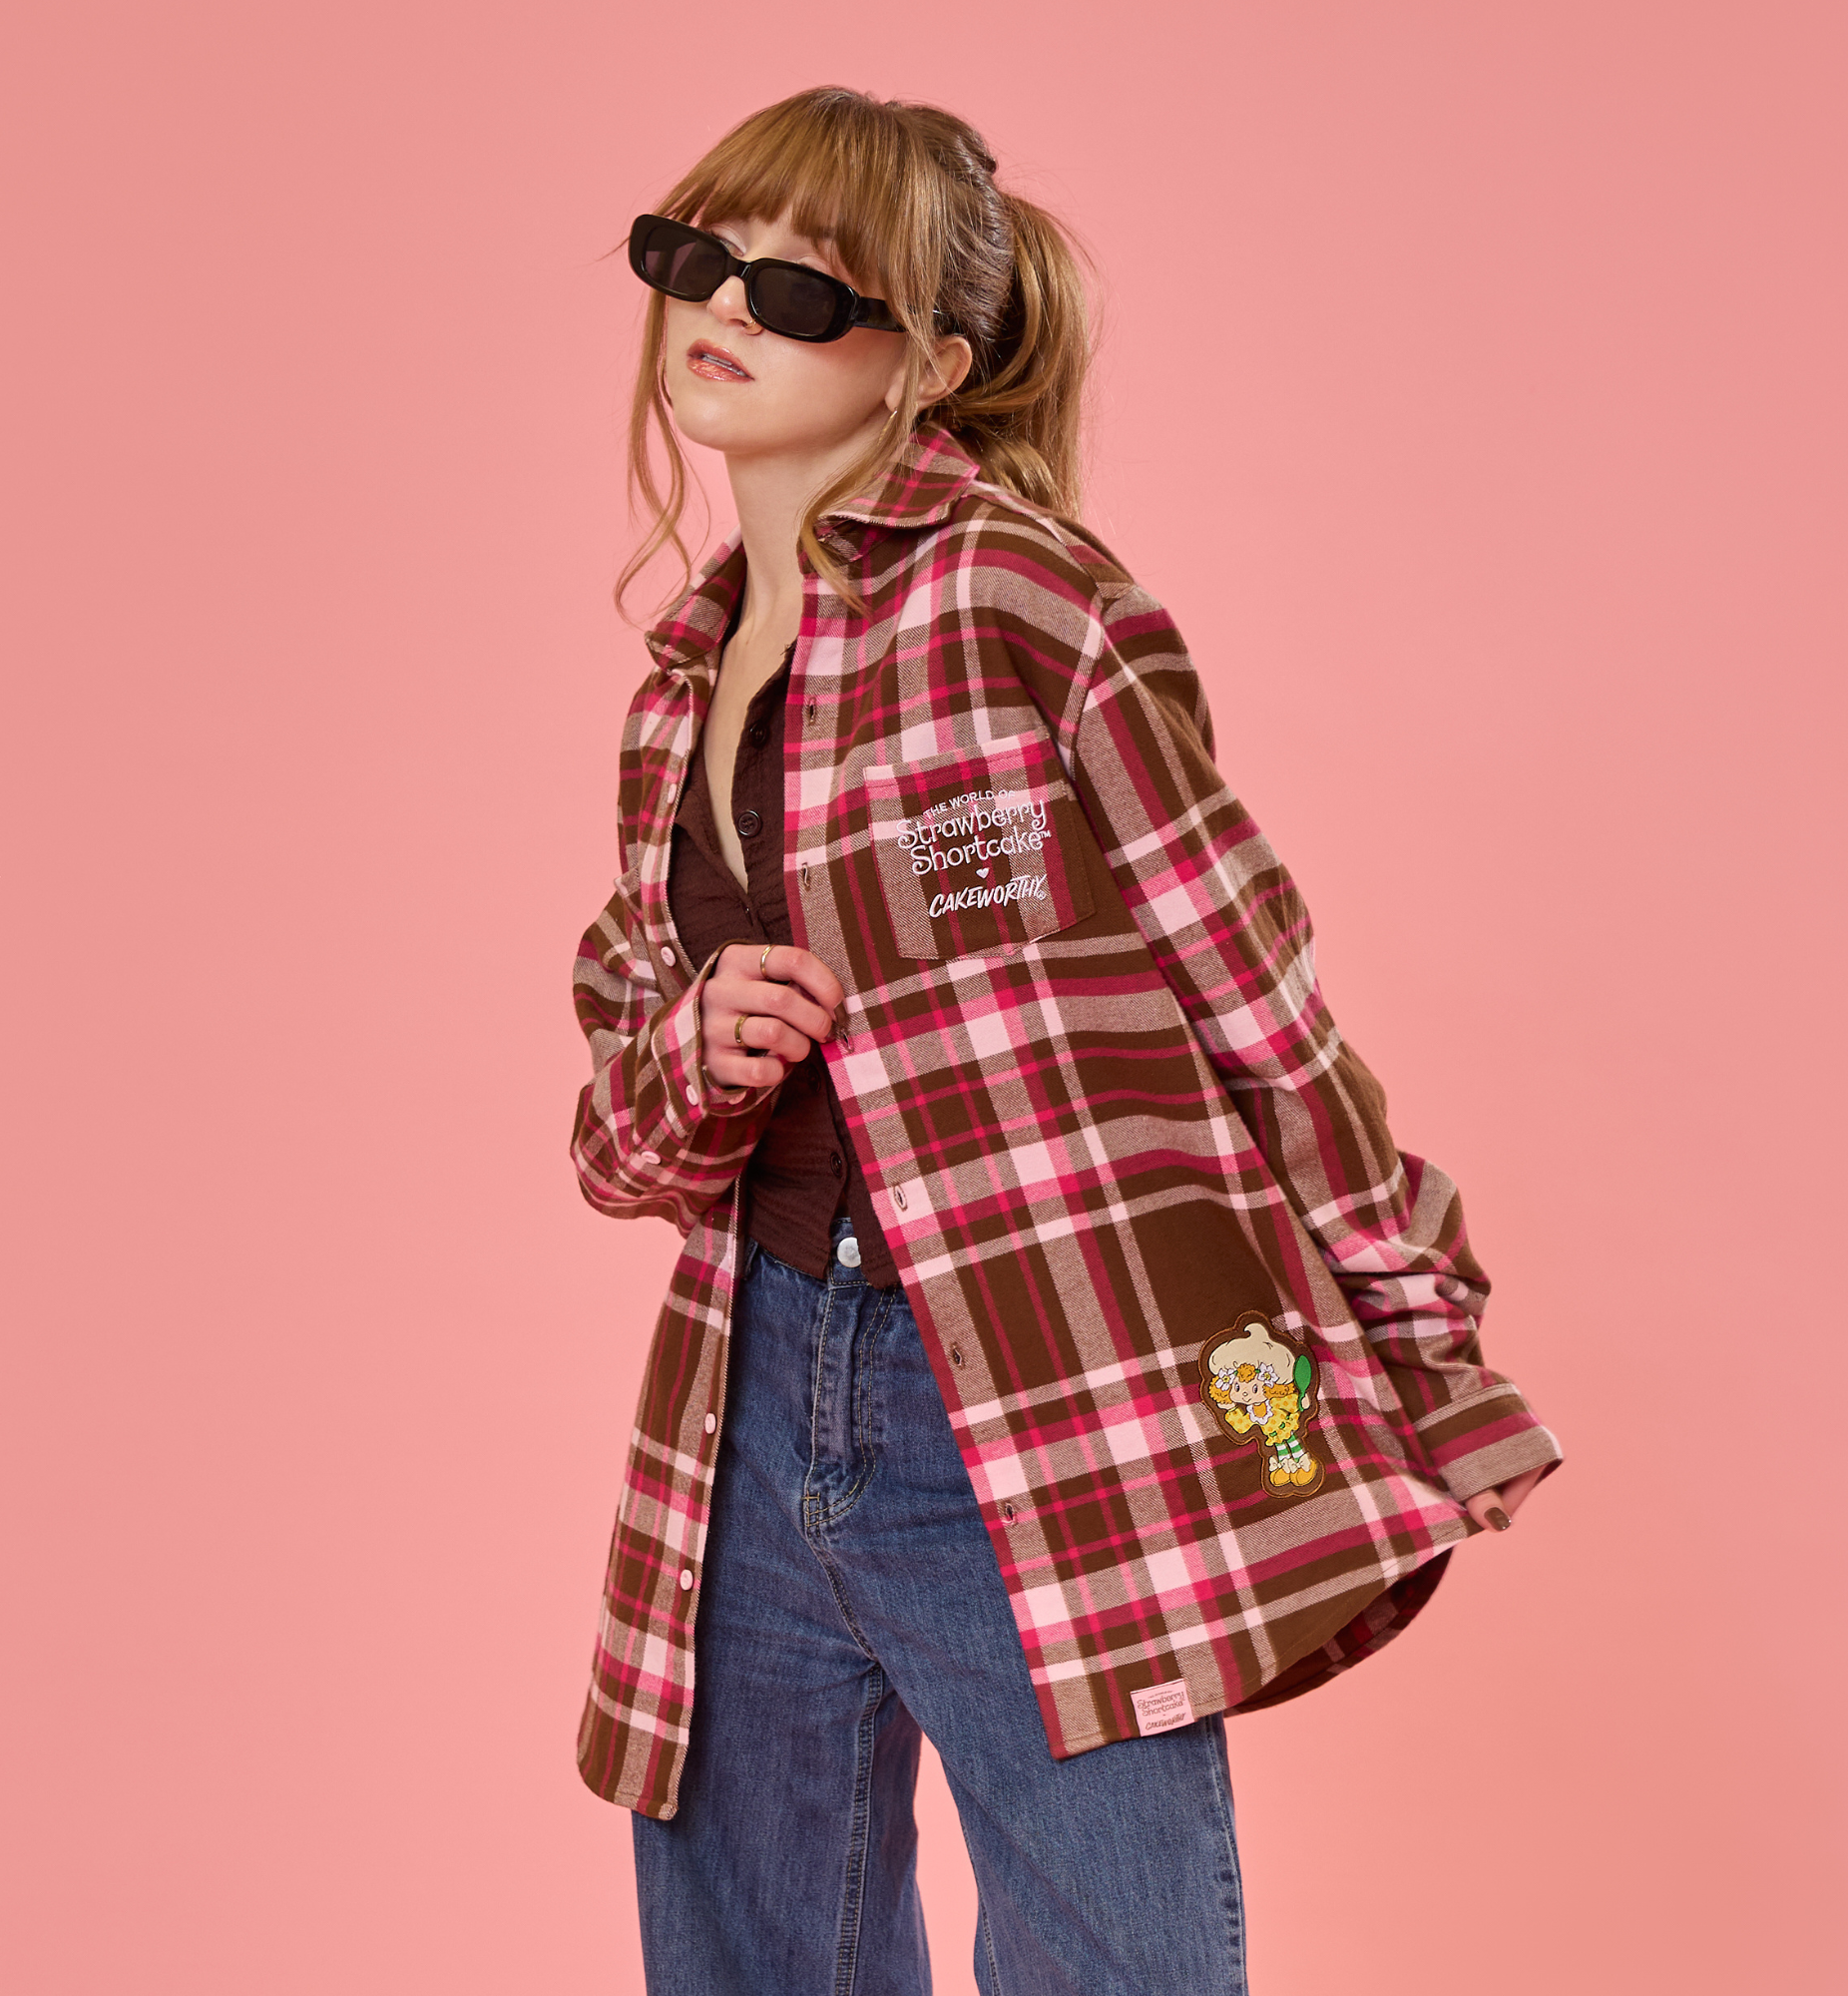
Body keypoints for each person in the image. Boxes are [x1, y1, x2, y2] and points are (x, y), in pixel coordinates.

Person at [569, 85, 1562, 1996]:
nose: (725, 307)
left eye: (799, 286)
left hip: (1027, 1378)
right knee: (745, 1953)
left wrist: (1421, 1334)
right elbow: (617, 1142)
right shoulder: (673, 691)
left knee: (1118, 1958)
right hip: (745, 1387)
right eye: (696, 257)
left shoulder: (1026, 598)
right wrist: (701, 1047)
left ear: (929, 366)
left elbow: (1249, 985)